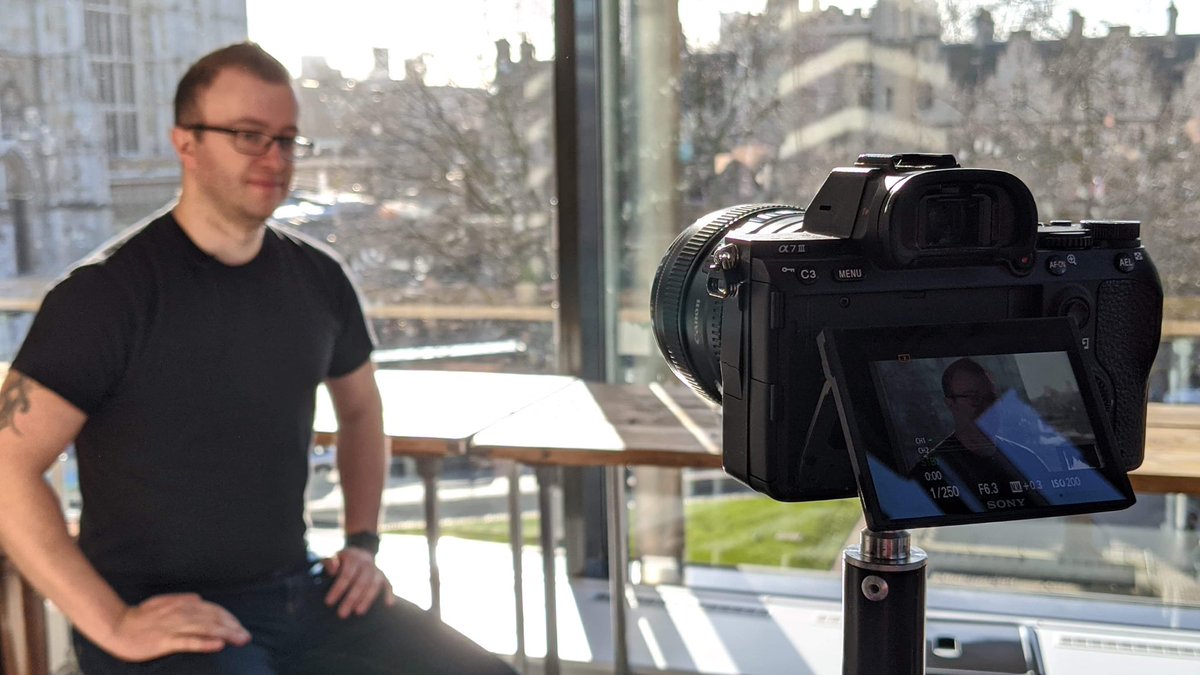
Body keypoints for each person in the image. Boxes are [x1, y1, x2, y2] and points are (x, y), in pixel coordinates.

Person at [0, 43, 514, 674]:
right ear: (186, 143)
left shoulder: (320, 279)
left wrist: (362, 543)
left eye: (287, 139)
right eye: (249, 136)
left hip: (301, 592)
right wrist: (113, 624)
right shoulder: (105, 295)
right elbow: (8, 466)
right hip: (159, 611)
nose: (275, 158)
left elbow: (360, 410)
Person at [920, 357, 1053, 511]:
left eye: (991, 398)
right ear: (951, 403)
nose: (986, 407)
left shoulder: (1027, 459)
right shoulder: (930, 472)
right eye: (974, 398)